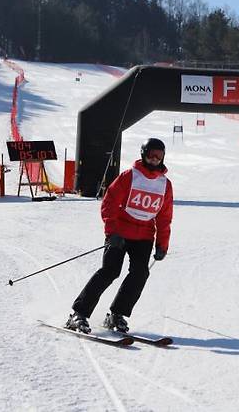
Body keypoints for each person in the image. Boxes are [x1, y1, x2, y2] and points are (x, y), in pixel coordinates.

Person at [66, 138, 173, 334]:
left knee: (140, 273)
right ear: (143, 154)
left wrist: (162, 245)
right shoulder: (129, 176)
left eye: (159, 156)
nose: (155, 159)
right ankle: (78, 313)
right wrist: (112, 232)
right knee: (110, 271)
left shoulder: (164, 184)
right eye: (151, 155)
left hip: (144, 237)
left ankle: (117, 314)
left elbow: (164, 217)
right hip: (120, 234)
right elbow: (109, 204)